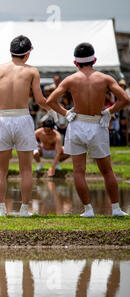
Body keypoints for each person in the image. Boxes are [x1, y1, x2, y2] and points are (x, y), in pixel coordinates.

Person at [46, 42, 129, 217]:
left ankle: (88, 210)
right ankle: (115, 209)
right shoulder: (105, 78)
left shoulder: (70, 79)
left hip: (77, 123)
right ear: (95, 60)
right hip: (97, 123)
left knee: (79, 171)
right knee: (107, 170)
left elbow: (50, 101)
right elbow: (125, 99)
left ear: (75, 63)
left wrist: (65, 113)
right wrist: (109, 111)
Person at [0, 35, 58, 217]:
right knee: (26, 169)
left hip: (3, 118)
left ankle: (1, 210)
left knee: (1, 169)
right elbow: (40, 99)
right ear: (27, 54)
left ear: (11, 52)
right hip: (22, 118)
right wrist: (51, 111)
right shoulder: (32, 71)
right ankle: (24, 209)